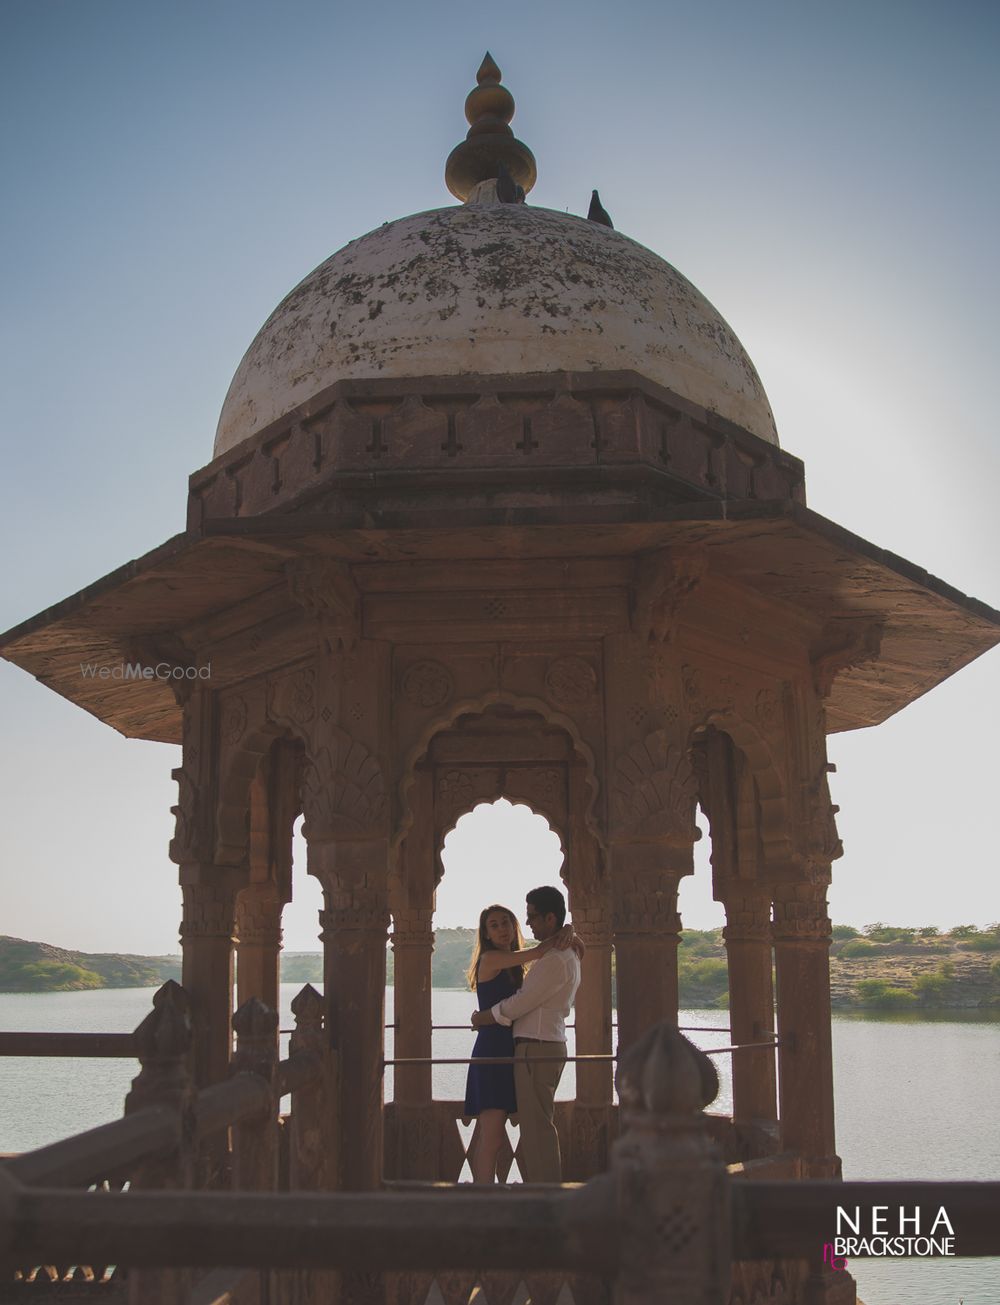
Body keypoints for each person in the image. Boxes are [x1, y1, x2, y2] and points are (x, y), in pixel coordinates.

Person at [471, 886, 582, 1182]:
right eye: (493, 925)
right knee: (494, 1136)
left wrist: (568, 930)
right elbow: (537, 952)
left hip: (521, 1048)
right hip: (496, 1049)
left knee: (534, 1128)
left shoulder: (534, 961)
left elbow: (522, 999)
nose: (502, 929)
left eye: (506, 922)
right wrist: (567, 931)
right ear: (486, 934)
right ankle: (483, 1199)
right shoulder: (493, 959)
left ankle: (542, 1193)